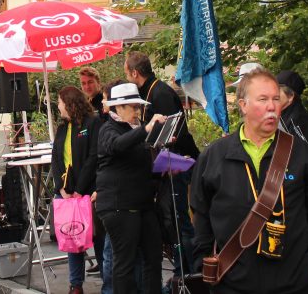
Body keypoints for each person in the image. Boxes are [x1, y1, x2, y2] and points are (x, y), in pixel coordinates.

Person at [191, 69, 308, 294]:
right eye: (263, 99)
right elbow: (201, 216)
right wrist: (204, 261)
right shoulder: (214, 157)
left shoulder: (303, 155)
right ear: (243, 105)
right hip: (233, 283)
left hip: (296, 282)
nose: (272, 106)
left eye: (276, 99)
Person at [124, 50, 198, 276]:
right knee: (170, 221)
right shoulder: (150, 92)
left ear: (135, 73)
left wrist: (168, 166)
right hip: (165, 165)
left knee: (178, 221)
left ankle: (188, 273)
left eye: (127, 73)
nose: (127, 78)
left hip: (176, 164)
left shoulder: (161, 94)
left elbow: (172, 135)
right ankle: (182, 270)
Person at [97, 81, 165, 294]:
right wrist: (146, 129)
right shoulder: (107, 128)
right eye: (133, 107)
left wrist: (164, 167)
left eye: (138, 106)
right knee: (125, 262)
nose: (137, 111)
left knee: (153, 257)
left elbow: (140, 164)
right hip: (119, 206)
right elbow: (117, 145)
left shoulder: (135, 129)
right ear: (118, 107)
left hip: (142, 203)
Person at [51, 86, 101, 294]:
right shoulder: (62, 128)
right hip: (67, 193)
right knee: (73, 237)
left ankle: (107, 283)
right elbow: (56, 159)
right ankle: (75, 285)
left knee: (98, 237)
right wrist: (61, 188)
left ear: (70, 103)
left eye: (60, 102)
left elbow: (93, 156)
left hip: (88, 191)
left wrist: (80, 189)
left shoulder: (92, 123)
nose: (58, 106)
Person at [276, 70, 308, 154]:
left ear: (290, 96)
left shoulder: (298, 119)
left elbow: (305, 156)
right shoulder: (282, 115)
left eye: (277, 91)